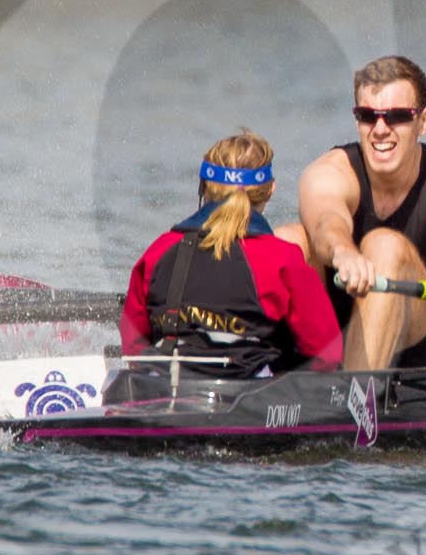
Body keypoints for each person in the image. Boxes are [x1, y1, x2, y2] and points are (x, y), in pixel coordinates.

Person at [291, 56, 426, 370]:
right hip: (333, 334)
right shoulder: (329, 171)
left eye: (397, 116)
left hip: (413, 342)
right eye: (368, 116)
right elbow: (326, 222)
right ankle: (262, 376)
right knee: (287, 242)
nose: (380, 129)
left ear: (424, 120)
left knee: (385, 245)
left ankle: (356, 398)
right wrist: (343, 252)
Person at [121, 132, 342, 376]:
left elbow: (132, 347)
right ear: (270, 190)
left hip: (166, 393)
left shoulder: (159, 250)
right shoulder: (284, 259)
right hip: (249, 401)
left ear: (203, 188)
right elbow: (327, 355)